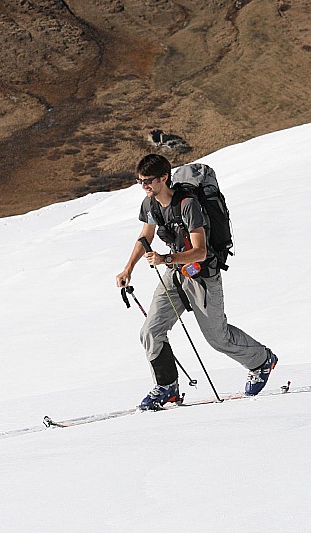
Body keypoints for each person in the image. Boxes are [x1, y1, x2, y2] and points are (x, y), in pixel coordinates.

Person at [115, 154, 277, 410]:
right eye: (140, 181)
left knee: (217, 338)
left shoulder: (188, 205)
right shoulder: (150, 205)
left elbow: (200, 251)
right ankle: (167, 387)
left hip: (202, 275)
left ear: (163, 178)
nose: (144, 186)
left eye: (147, 181)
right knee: (150, 331)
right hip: (176, 274)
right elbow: (145, 235)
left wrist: (165, 258)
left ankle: (261, 361)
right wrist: (128, 269)